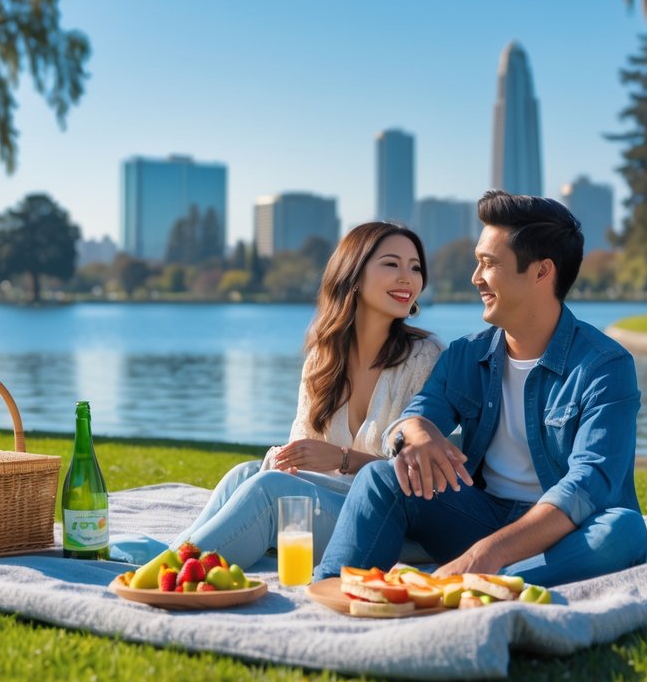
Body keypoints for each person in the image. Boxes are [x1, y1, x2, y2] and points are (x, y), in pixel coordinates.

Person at [315, 191, 647, 588]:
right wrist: (418, 434)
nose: (475, 278)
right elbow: (412, 418)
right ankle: (333, 587)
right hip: (478, 517)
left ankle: (478, 580)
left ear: (542, 272)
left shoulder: (605, 366)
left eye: (488, 264)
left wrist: (484, 555)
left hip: (563, 531)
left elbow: (589, 485)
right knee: (380, 478)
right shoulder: (466, 354)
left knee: (623, 531)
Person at [170, 222, 445, 568]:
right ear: (354, 276)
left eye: (415, 267)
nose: (408, 278)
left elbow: (421, 478)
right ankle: (170, 558)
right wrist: (287, 461)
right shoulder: (324, 357)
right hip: (328, 503)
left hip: (389, 522)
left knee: (270, 494)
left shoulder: (426, 356)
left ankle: (176, 575)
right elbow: (301, 458)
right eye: (392, 264)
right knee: (244, 474)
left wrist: (342, 458)